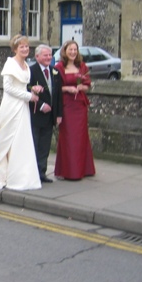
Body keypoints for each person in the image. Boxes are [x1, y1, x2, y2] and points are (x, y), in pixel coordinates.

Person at [0, 35, 42, 191]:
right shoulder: (10, 64)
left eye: (26, 46)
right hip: (11, 106)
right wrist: (29, 96)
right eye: (21, 47)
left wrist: (32, 89)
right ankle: (1, 175)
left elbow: (22, 85)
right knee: (7, 139)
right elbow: (9, 88)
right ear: (15, 49)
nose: (25, 49)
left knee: (21, 140)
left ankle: (21, 175)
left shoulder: (26, 66)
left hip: (22, 107)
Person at [54, 40, 96, 180]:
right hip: (66, 106)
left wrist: (82, 87)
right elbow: (54, 88)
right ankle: (69, 171)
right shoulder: (59, 67)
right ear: (65, 51)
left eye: (75, 50)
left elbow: (87, 84)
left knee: (81, 137)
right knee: (69, 137)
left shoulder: (82, 66)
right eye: (70, 50)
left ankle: (83, 169)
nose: (73, 52)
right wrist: (67, 88)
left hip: (80, 105)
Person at [29, 44, 63, 183]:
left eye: (50, 55)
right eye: (45, 55)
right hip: (36, 115)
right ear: (37, 57)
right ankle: (32, 173)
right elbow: (26, 90)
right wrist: (41, 105)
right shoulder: (31, 71)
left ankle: (42, 172)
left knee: (45, 146)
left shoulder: (55, 71)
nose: (49, 57)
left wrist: (59, 115)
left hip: (50, 117)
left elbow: (58, 95)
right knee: (34, 145)